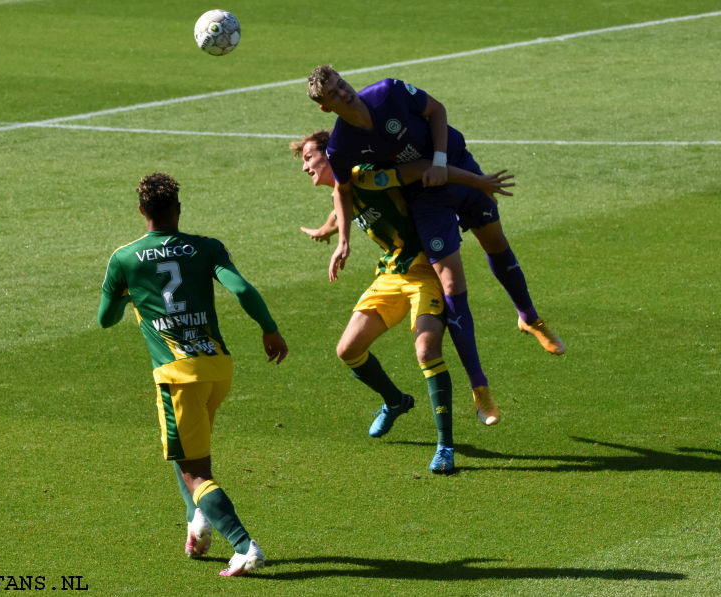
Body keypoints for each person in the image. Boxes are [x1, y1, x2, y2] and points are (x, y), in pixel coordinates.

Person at [306, 65, 565, 373]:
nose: (343, 93)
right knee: (453, 282)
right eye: (333, 93)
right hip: (423, 194)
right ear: (325, 106)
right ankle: (478, 385)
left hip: (452, 163)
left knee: (495, 241)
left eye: (341, 84)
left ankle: (529, 317)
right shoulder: (342, 147)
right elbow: (344, 192)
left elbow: (437, 110)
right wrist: (342, 240)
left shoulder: (388, 92)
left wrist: (448, 165)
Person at [97, 172, 288, 577]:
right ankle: (198, 520)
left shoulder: (125, 258)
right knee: (189, 449)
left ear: (141, 211)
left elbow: (105, 319)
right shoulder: (206, 247)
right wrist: (269, 328)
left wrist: (125, 296)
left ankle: (244, 547)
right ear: (178, 210)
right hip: (218, 367)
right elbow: (241, 289)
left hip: (177, 373)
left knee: (194, 469)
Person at [291, 131, 512, 473]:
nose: (305, 167)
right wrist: (327, 231)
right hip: (391, 273)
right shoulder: (345, 189)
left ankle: (445, 447)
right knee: (347, 350)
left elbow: (421, 168)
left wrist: (479, 182)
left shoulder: (364, 174)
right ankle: (395, 401)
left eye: (308, 157)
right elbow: (341, 208)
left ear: (329, 154)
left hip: (426, 270)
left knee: (427, 351)